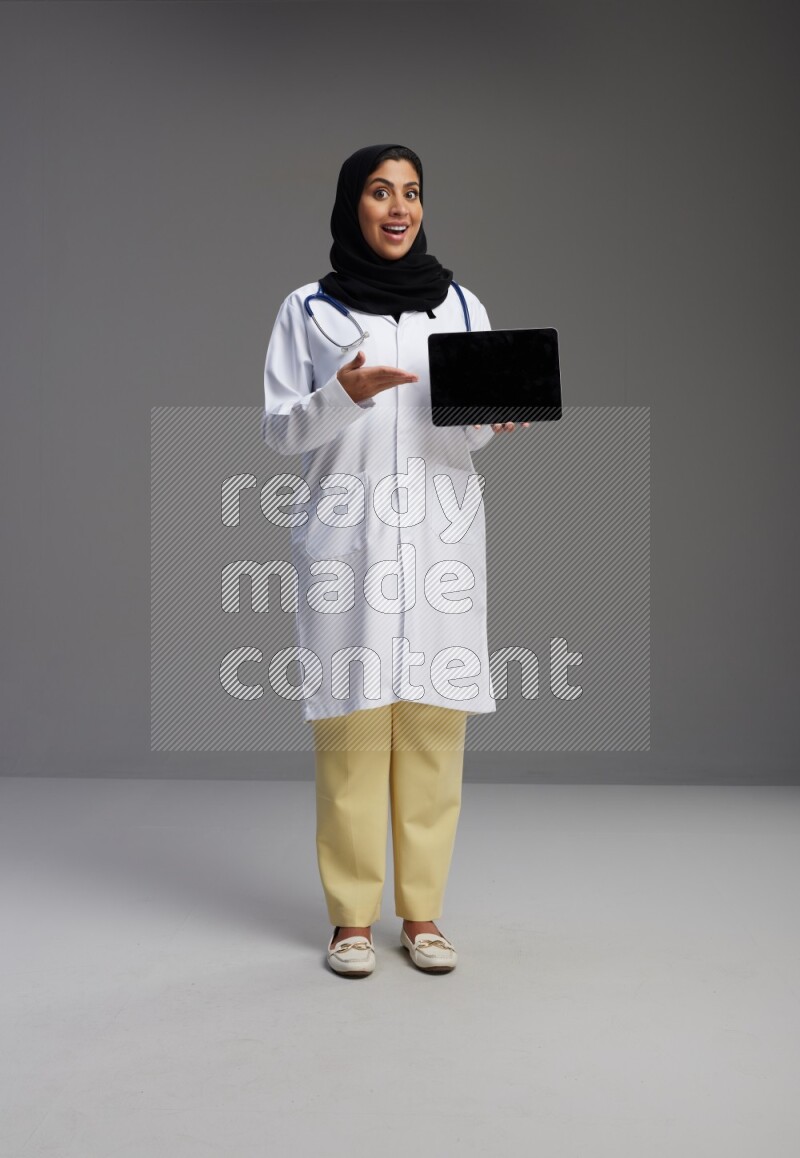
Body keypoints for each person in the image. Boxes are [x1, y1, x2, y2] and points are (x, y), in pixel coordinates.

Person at [261, 143, 529, 977]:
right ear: (353, 205)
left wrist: (497, 417)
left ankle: (422, 915)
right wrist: (345, 391)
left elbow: (467, 429)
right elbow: (280, 431)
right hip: (350, 543)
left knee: (430, 732)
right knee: (350, 730)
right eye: (380, 192)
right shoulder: (308, 310)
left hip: (441, 542)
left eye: (411, 192)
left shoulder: (459, 302)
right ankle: (349, 918)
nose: (398, 207)